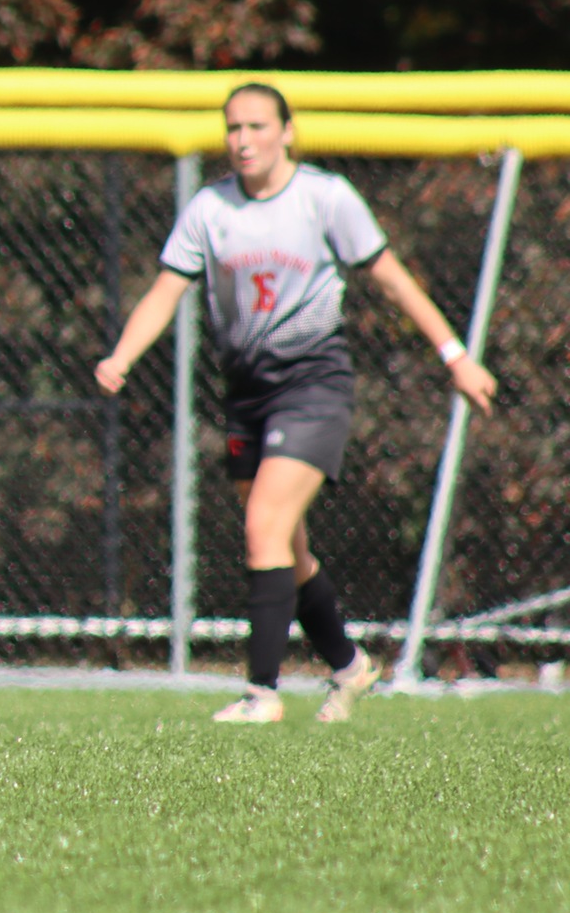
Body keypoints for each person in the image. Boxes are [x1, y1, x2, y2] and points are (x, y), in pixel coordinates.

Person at [97, 83, 498, 723]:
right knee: (287, 546)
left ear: (287, 131)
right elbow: (166, 289)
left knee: (263, 527)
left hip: (313, 389)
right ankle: (349, 665)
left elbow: (392, 278)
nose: (243, 139)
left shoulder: (324, 198)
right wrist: (121, 356)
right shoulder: (210, 207)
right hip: (246, 399)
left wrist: (456, 356)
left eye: (257, 126)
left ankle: (263, 693)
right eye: (233, 128)